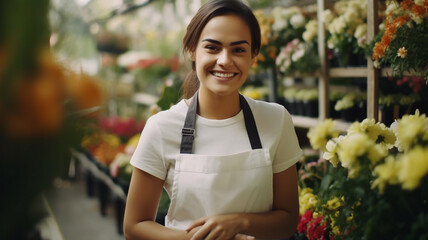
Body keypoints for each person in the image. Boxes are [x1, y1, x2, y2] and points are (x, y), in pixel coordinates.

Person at [123, 0, 303, 239]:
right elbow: (134, 227)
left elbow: (288, 219)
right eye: (213, 47)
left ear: (253, 55)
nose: (225, 60)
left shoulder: (276, 120)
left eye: (238, 49)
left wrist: (239, 222)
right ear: (192, 49)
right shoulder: (161, 127)